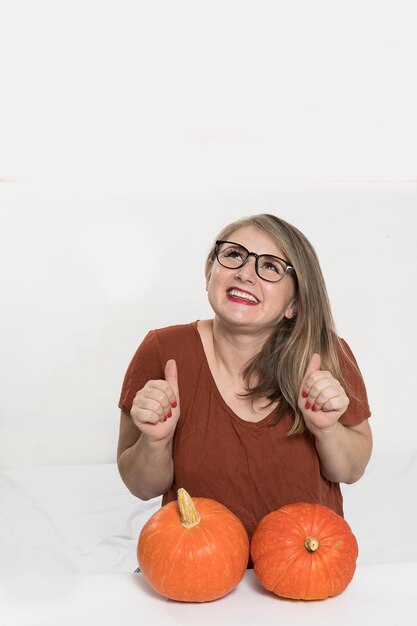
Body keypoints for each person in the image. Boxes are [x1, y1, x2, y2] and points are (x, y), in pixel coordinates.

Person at [117, 213, 372, 554]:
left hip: (306, 566)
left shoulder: (327, 353)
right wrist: (155, 441)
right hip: (194, 567)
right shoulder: (163, 350)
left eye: (270, 266)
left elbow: (351, 470)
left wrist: (328, 430)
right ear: (210, 272)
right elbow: (141, 486)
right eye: (234, 254)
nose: (245, 272)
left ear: (294, 303)